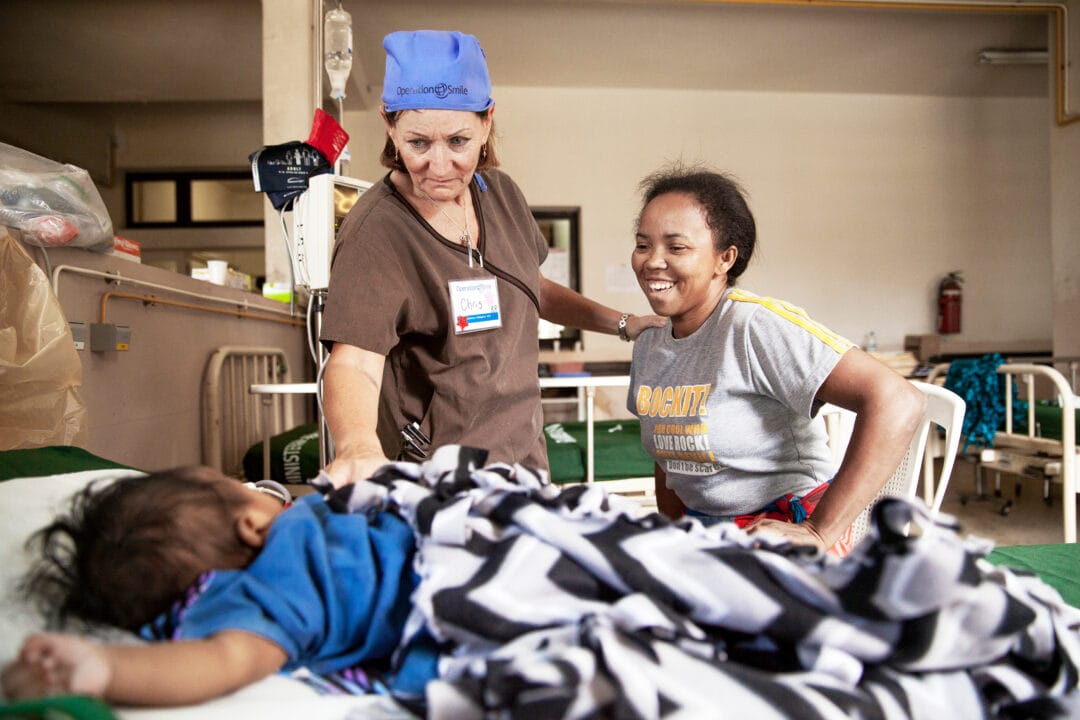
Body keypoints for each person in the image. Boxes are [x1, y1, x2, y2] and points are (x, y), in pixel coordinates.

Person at [320, 30, 662, 487]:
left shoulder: (500, 194)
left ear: (487, 122)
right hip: (438, 477)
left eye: (458, 141)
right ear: (389, 124)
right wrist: (358, 445)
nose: (439, 167)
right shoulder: (376, 234)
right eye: (418, 143)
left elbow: (531, 287)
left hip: (524, 461)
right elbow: (354, 361)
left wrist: (623, 324)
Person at [627, 164, 926, 554]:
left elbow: (898, 400)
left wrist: (820, 531)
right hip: (711, 534)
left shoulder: (752, 326)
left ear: (725, 258)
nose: (652, 261)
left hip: (783, 527)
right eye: (643, 244)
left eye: (677, 247)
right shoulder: (651, 345)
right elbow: (670, 464)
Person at [0, 467, 419, 706]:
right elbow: (226, 659)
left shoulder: (297, 546)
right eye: (241, 487)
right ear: (252, 526)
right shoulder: (267, 600)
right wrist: (108, 668)